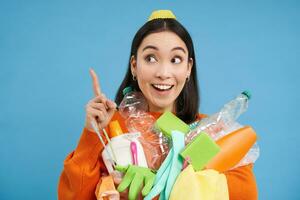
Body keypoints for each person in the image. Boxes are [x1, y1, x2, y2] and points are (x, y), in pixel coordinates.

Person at [58, 10, 258, 200]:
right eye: (151, 58)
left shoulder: (213, 131)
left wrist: (152, 190)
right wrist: (92, 133)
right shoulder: (112, 128)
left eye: (176, 59)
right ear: (134, 66)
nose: (163, 72)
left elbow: (245, 193)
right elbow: (73, 196)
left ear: (188, 68)